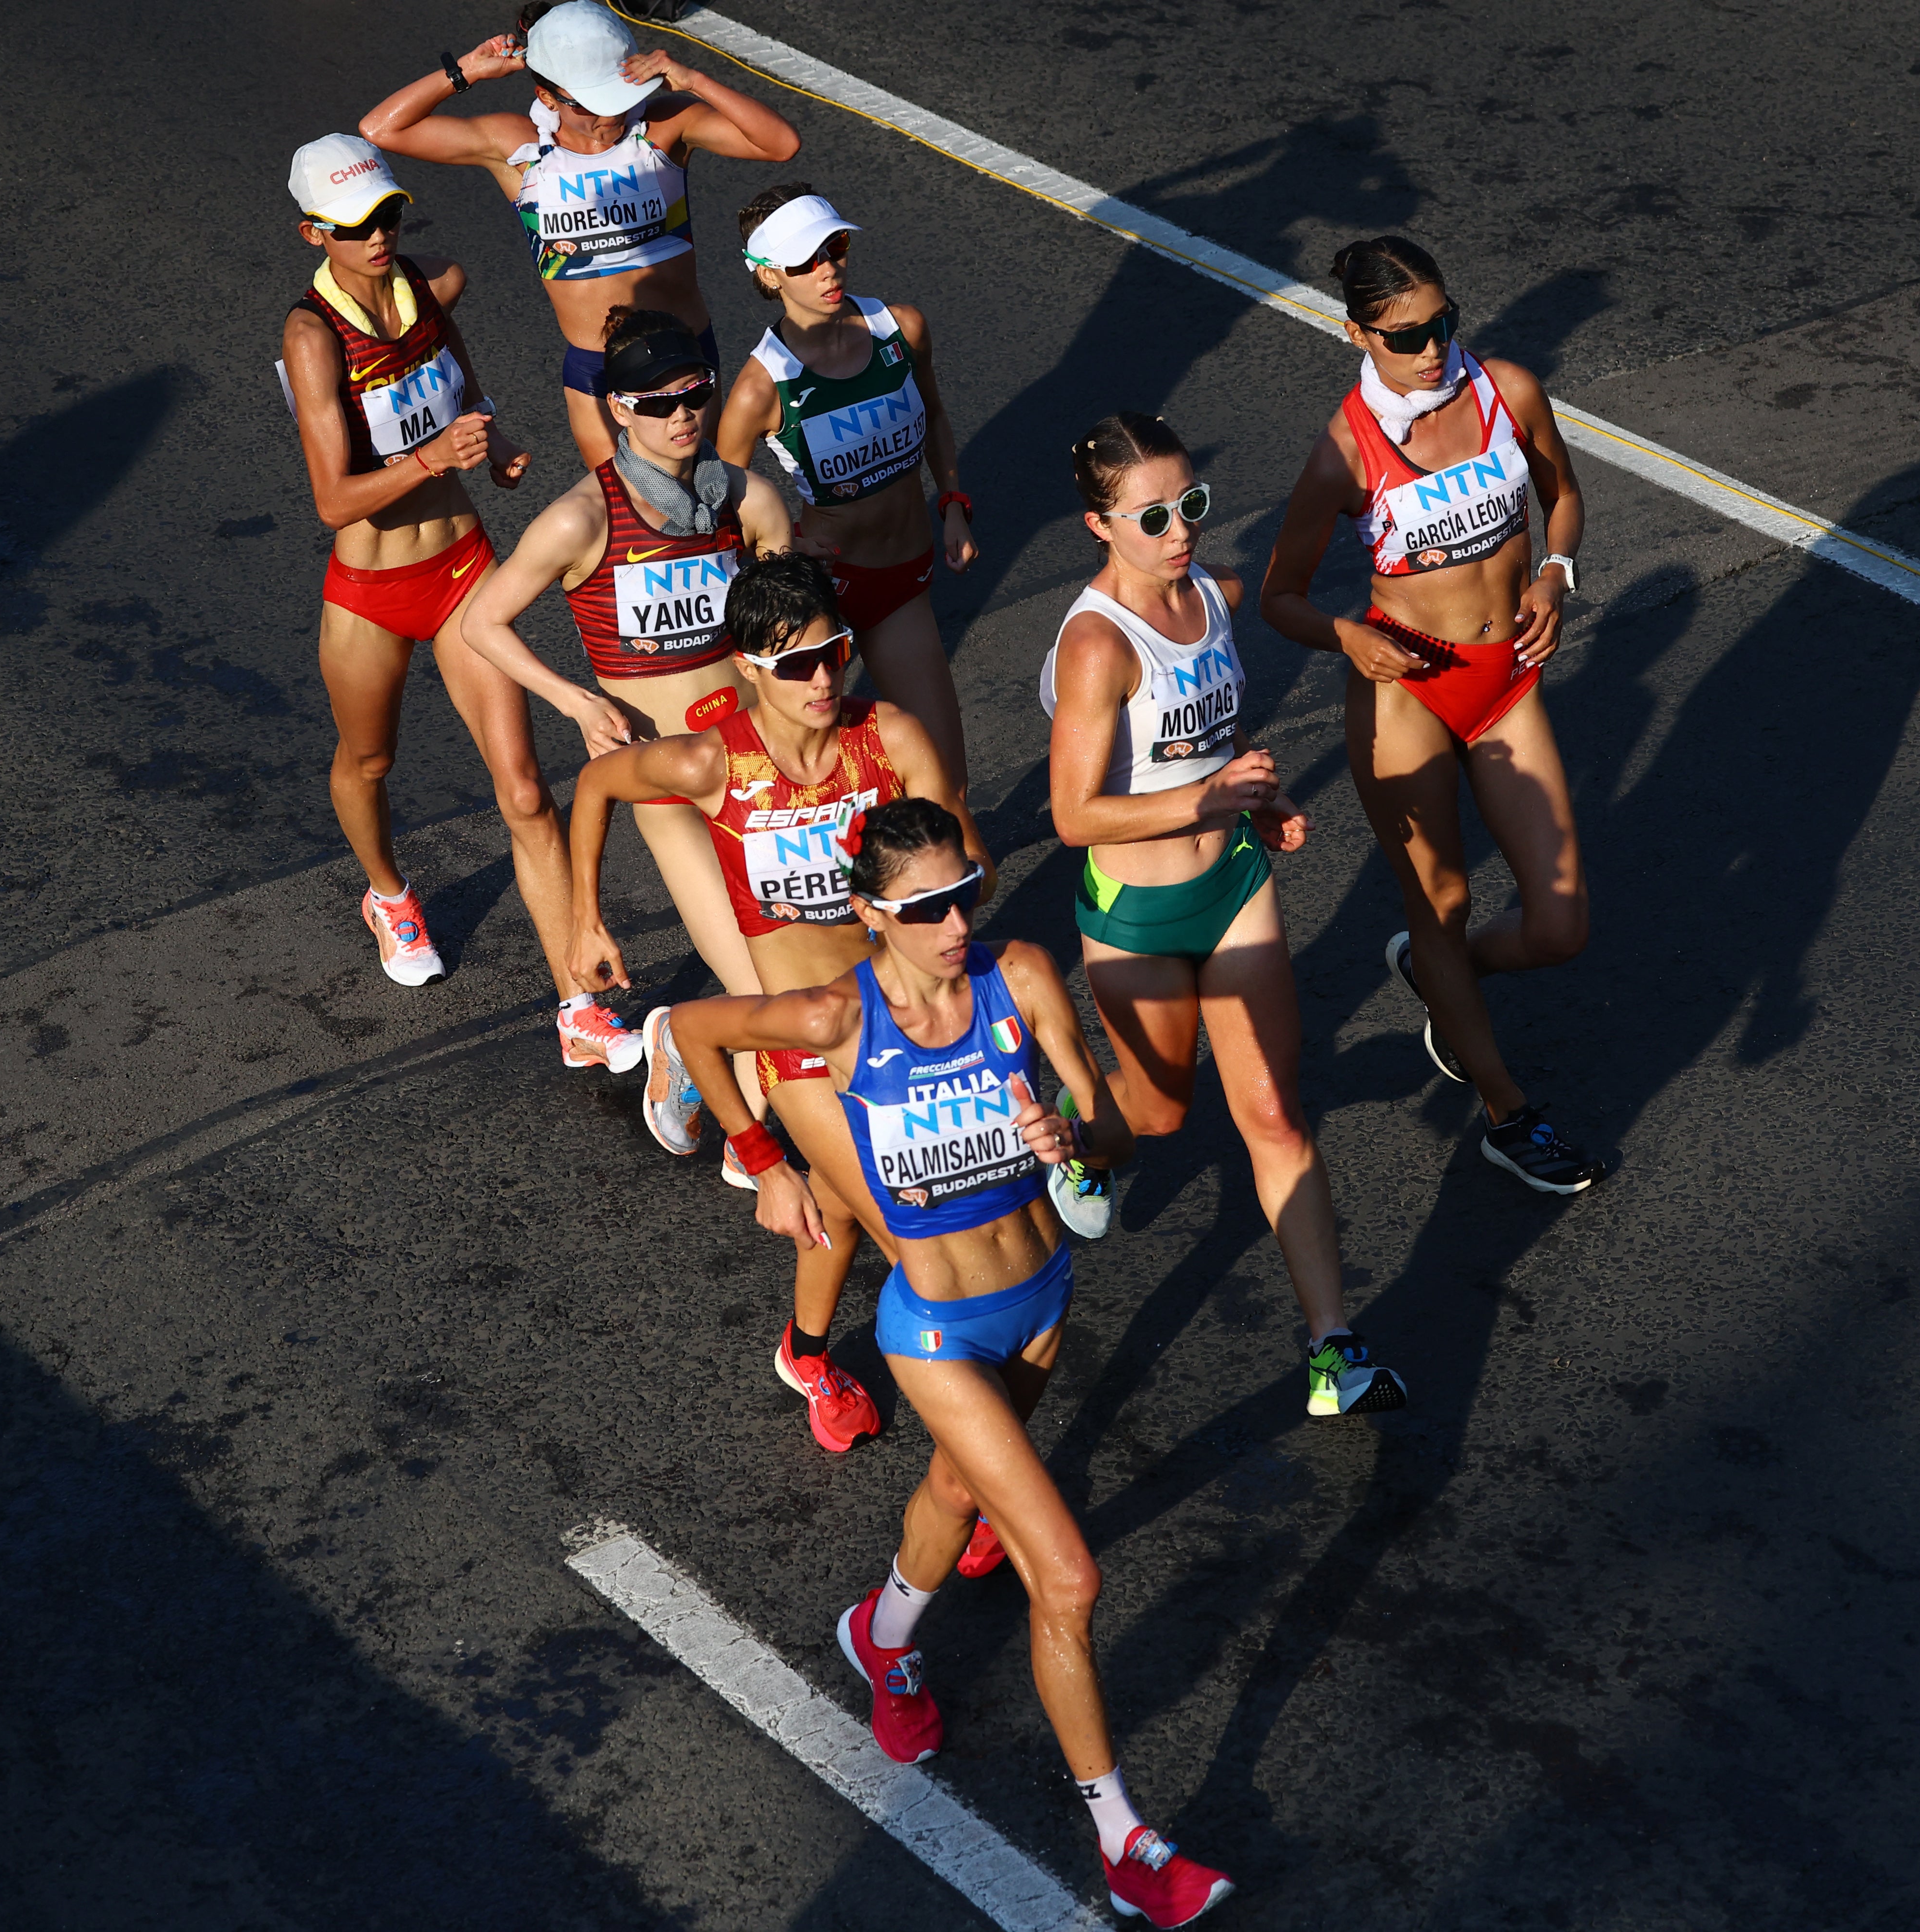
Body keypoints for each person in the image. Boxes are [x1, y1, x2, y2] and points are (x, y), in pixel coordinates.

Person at [661, 797, 1233, 1925]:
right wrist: (765, 1161)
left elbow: (1113, 1128)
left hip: (1043, 1299)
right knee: (1067, 1577)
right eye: (925, 908)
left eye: (965, 892)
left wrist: (1073, 1136)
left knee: (959, 1485)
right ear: (871, 913)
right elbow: (692, 1027)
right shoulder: (836, 1015)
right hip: (935, 1329)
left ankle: (880, 1635)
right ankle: (1125, 1843)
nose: (955, 923)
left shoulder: (1018, 976)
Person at [560, 554, 992, 1453]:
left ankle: (805, 1353)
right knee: (915, 1237)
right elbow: (597, 784)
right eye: (797, 664)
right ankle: (979, 1470)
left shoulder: (890, 738)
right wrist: (587, 923)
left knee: (841, 1209)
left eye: (836, 652)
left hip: (894, 1017)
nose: (824, 679)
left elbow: (965, 865)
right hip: (797, 1039)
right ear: (749, 667)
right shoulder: (713, 763)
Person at [1041, 413, 1407, 1420]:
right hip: (1138, 913)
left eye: (1191, 505)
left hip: (1235, 885)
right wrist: (1206, 797)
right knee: (1158, 1114)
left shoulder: (1209, 595)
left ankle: (1334, 1346)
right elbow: (1072, 816)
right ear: (1098, 525)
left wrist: (1256, 799)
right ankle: (1079, 1128)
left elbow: (1212, 730)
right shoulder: (1095, 646)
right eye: (1153, 516)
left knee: (1275, 1114)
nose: (1181, 530)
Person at [278, 132, 638, 1072]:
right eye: (355, 225)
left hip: (463, 572)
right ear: (314, 232)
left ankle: (579, 1007)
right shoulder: (312, 338)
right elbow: (333, 500)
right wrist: (431, 459)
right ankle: (388, 892)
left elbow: (453, 350)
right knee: (369, 759)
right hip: (370, 589)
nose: (378, 235)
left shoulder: (421, 287)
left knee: (524, 790)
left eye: (388, 215)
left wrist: (491, 431)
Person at [1261, 235, 1606, 1195]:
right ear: (1359, 335)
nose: (1432, 348)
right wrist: (1346, 636)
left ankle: (1436, 974)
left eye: (1443, 323)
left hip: (1506, 682)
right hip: (1403, 693)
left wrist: (1556, 573)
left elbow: (1563, 497)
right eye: (1406, 335)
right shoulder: (1343, 452)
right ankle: (1507, 1113)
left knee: (1560, 926)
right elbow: (1279, 597)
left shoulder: (1508, 391)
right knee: (1442, 900)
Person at [456, 306, 790, 1147]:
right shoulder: (583, 519)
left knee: (805, 969)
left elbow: (793, 630)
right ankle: (726, 1096)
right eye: (657, 403)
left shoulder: (747, 501)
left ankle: (732, 1108)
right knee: (760, 980)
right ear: (617, 409)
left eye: (695, 396)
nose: (682, 416)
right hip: (666, 785)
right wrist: (575, 701)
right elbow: (482, 623)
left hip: (758, 766)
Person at [359, 0, 799, 469]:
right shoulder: (518, 147)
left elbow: (781, 144)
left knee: (702, 495)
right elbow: (380, 129)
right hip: (597, 366)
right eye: (592, 105)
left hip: (684, 353)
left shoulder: (663, 126)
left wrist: (694, 81)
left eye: (618, 97)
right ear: (548, 97)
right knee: (627, 508)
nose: (610, 118)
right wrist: (466, 70)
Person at [715, 184, 976, 792]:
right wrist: (778, 548)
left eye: (835, 248)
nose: (828, 268)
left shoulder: (901, 329)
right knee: (807, 781)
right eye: (806, 261)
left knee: (947, 781)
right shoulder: (761, 388)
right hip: (821, 593)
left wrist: (953, 505)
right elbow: (719, 501)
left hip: (900, 583)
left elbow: (936, 415)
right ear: (769, 276)